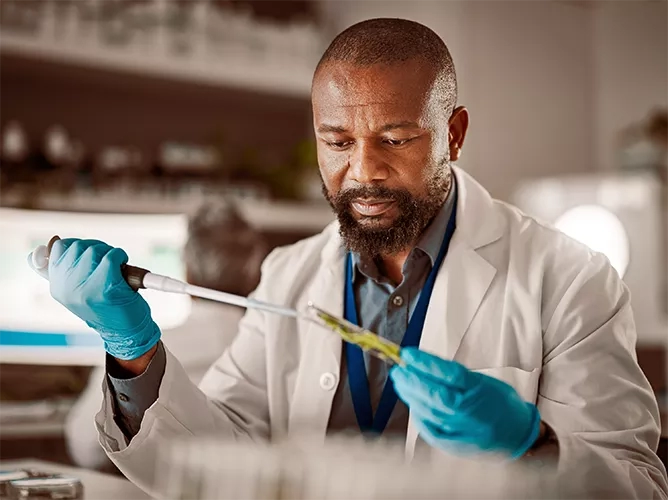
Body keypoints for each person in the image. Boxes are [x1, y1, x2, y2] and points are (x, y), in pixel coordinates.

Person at [40, 19, 667, 498]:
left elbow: (639, 484)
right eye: (336, 142)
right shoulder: (289, 275)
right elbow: (215, 458)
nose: (363, 172)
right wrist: (135, 352)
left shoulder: (569, 278)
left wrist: (535, 446)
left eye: (394, 139)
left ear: (453, 133)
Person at [63, 200, 265, 470]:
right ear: (255, 273)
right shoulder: (280, 349)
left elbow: (86, 448)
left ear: (188, 272)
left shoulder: (133, 348)